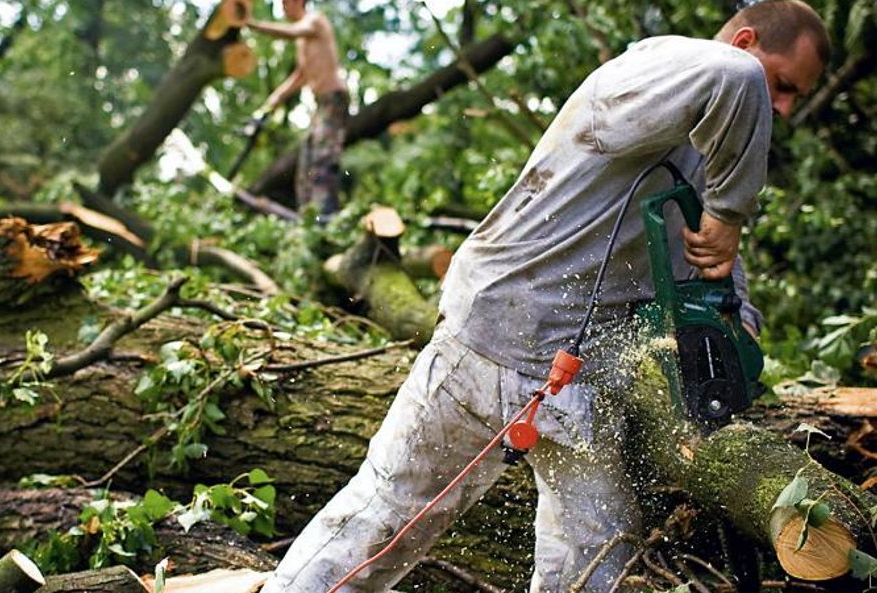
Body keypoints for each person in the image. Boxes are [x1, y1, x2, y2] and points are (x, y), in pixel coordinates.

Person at [259, 1, 830, 592]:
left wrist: (738, 326)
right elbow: (737, 85)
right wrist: (731, 215)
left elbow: (708, 256)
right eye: (783, 86)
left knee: (598, 552)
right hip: (493, 335)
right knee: (388, 514)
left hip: (578, 374)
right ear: (742, 39)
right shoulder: (675, 67)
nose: (782, 108)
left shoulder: (709, 136)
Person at [247, 0, 349, 219]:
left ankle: (326, 217)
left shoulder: (314, 21)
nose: (283, 7)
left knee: (323, 157)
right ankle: (308, 217)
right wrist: (272, 102)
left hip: (333, 99)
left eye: (285, 2)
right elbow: (300, 75)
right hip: (320, 103)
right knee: (307, 161)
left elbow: (292, 32)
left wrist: (252, 25)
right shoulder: (303, 41)